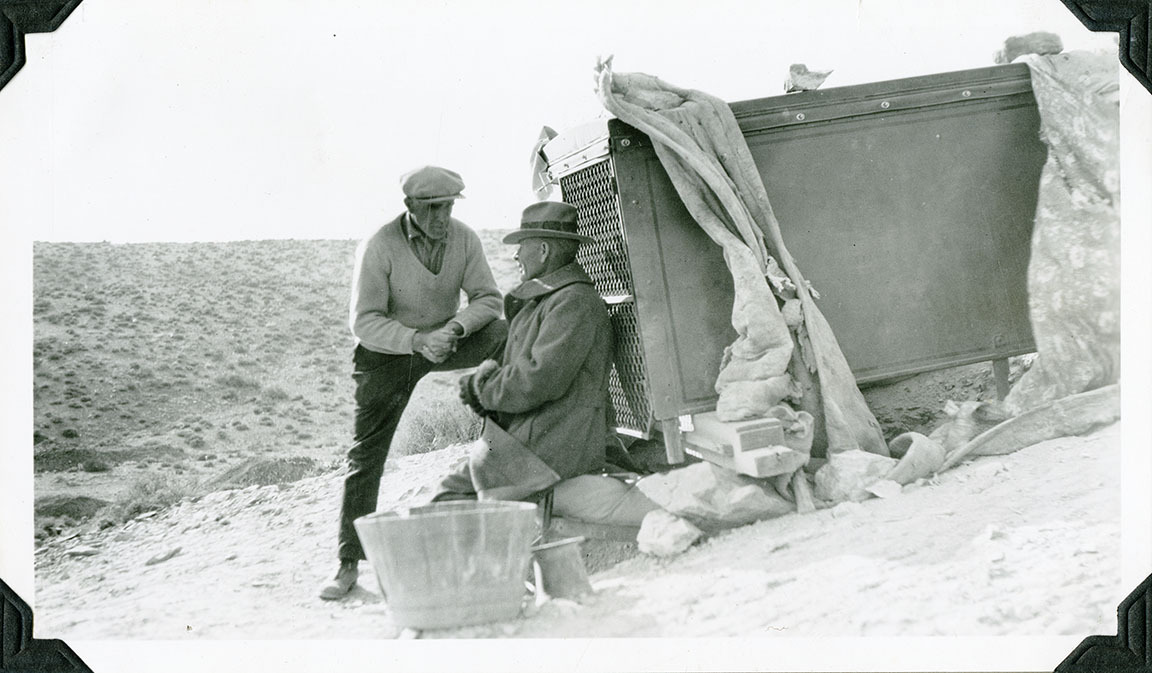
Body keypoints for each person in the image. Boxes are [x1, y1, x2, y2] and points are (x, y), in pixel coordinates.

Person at [319, 165, 507, 600]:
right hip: (389, 354)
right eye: (433, 208)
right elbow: (364, 321)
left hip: (445, 340)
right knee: (367, 453)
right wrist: (416, 341)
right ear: (410, 207)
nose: (443, 217)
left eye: (449, 206)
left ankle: (497, 459)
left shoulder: (464, 238)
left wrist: (456, 330)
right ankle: (348, 561)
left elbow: (489, 299)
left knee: (506, 337)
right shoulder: (380, 245)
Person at [432, 201, 614, 503]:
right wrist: (486, 386)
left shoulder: (573, 303)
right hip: (535, 437)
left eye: (522, 246)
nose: (516, 254)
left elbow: (538, 379)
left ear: (543, 250)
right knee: (451, 492)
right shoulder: (548, 301)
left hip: (553, 444)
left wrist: (482, 388)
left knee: (449, 499)